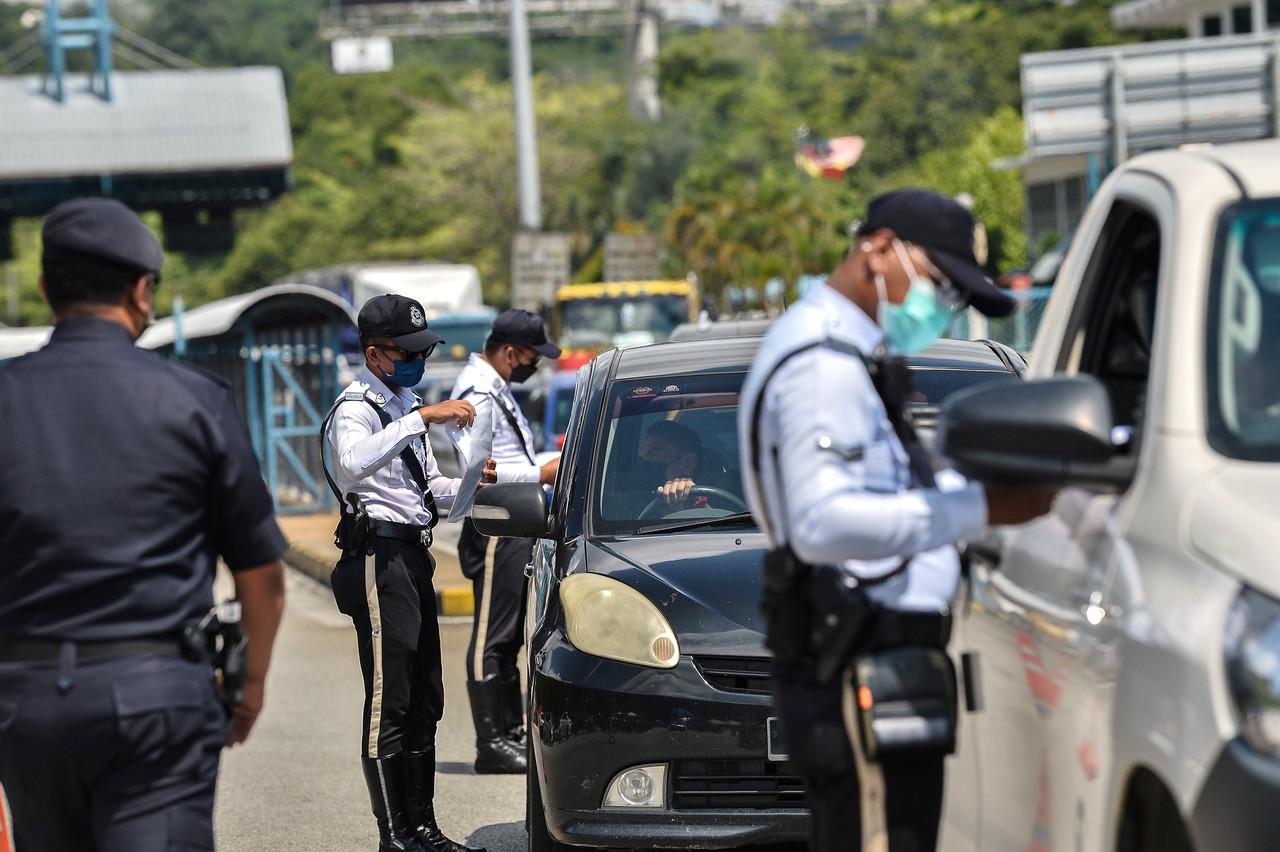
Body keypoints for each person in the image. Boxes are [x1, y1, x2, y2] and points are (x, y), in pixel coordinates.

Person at [738, 189, 1055, 852]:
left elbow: (882, 484)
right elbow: (821, 523)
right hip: (854, 662)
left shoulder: (851, 354)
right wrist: (984, 508)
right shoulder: (821, 366)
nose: (944, 306)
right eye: (940, 284)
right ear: (878, 249)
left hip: (880, 666)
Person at [0, 198, 287, 851]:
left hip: (26, 704)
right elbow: (262, 576)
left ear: (46, 290)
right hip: (158, 700)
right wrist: (248, 687)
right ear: (140, 289)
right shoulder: (194, 403)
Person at [323, 294, 493, 852]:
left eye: (424, 350)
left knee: (426, 697)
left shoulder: (401, 405)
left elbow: (422, 494)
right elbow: (351, 465)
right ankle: (395, 836)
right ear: (375, 355)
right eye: (409, 352)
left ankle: (423, 829)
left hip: (412, 557)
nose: (419, 361)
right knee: (389, 700)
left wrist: (471, 483)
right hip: (378, 559)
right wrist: (422, 418)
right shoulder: (358, 409)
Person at [449, 309, 560, 774]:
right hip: (497, 522)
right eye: (532, 357)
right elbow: (478, 469)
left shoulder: (496, 387)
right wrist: (541, 472)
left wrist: (551, 458)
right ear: (510, 351)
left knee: (511, 634)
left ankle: (510, 732)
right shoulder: (478, 391)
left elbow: (513, 456)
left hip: (517, 519)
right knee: (491, 637)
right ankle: (490, 741)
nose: (532, 366)